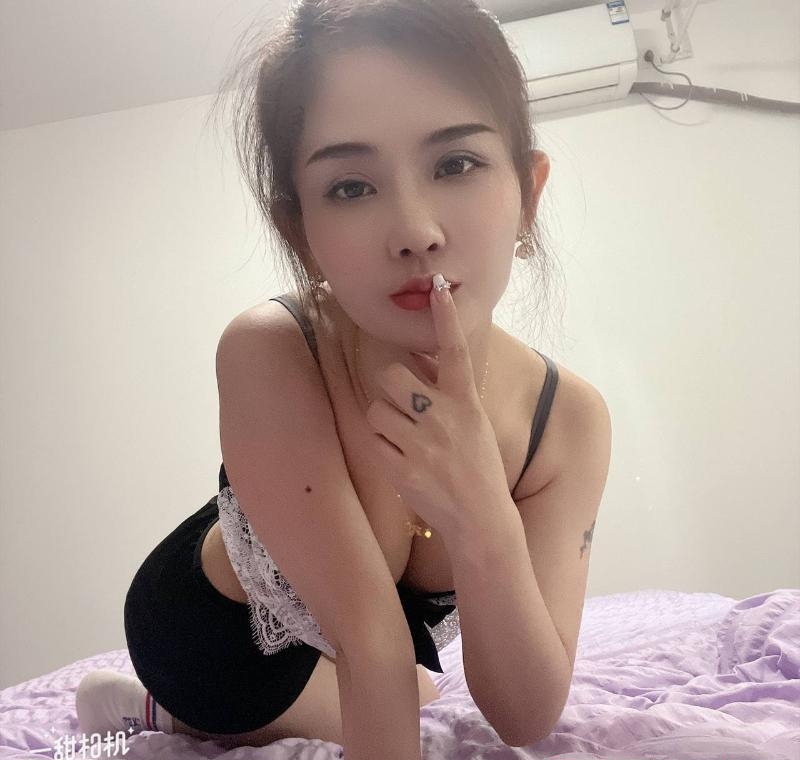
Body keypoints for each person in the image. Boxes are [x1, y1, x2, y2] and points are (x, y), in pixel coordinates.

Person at [76, 0, 607, 756]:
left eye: (456, 164)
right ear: (302, 231)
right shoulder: (273, 347)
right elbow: (373, 646)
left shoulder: (568, 421)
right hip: (209, 635)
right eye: (351, 187)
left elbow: (524, 715)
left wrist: (483, 514)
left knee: (421, 694)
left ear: (528, 191)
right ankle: (156, 706)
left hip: (354, 650)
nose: (416, 231)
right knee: (381, 677)